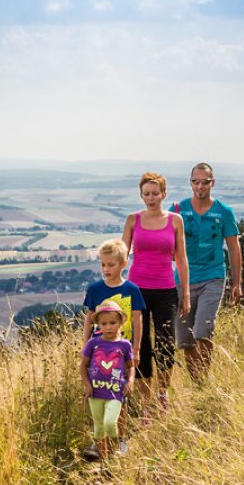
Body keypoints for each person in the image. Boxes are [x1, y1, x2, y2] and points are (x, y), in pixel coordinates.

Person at [122, 171, 189, 417]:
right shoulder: (132, 220)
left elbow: (181, 258)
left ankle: (162, 394)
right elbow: (122, 255)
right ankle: (146, 401)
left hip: (166, 290)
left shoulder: (175, 221)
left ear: (164, 194)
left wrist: (186, 294)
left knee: (166, 344)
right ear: (141, 195)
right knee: (140, 345)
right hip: (136, 290)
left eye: (155, 193)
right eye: (146, 194)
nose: (151, 198)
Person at [174, 162, 242, 380]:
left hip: (213, 276)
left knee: (204, 330)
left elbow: (233, 246)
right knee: (185, 338)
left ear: (213, 183)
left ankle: (203, 378)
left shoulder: (224, 212)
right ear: (190, 182)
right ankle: (197, 382)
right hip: (183, 279)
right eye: (196, 182)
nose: (200, 186)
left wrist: (237, 282)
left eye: (205, 182)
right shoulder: (178, 210)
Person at [81, 239, 145, 459]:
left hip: (122, 353)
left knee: (120, 399)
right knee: (96, 396)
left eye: (111, 265)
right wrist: (84, 347)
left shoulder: (132, 290)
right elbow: (89, 320)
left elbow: (137, 320)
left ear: (123, 264)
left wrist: (136, 349)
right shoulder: (95, 290)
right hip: (98, 354)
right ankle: (98, 442)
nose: (106, 270)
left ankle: (121, 440)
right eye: (103, 265)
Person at [80, 300, 135, 460]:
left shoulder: (125, 345)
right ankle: (105, 462)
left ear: (120, 323)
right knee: (98, 428)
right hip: (95, 392)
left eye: (112, 322)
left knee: (110, 423)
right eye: (103, 323)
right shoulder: (93, 343)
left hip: (115, 392)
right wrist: (87, 385)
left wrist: (130, 381)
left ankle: (113, 452)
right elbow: (83, 366)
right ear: (98, 325)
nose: (108, 327)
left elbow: (130, 366)